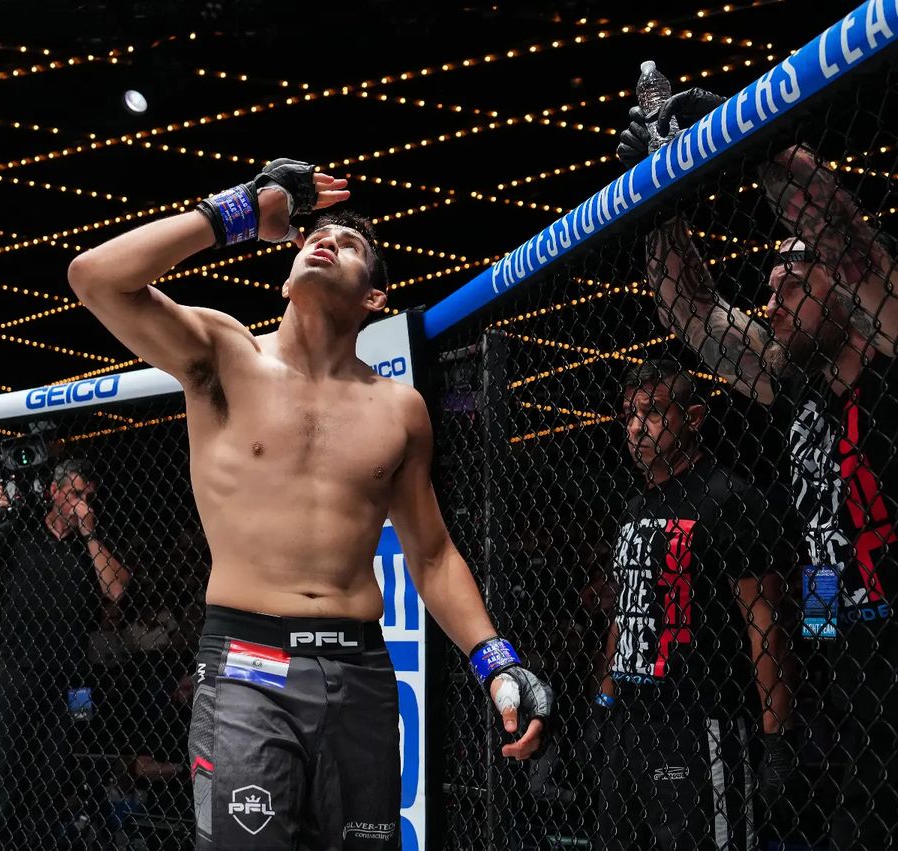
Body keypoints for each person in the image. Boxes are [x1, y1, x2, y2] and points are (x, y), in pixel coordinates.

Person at [67, 158, 552, 849]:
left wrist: (496, 660)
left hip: (360, 671)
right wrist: (240, 210)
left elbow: (432, 553)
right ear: (286, 277)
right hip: (245, 663)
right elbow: (94, 277)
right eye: (314, 238)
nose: (325, 241)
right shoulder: (223, 356)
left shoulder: (401, 409)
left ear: (376, 297)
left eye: (348, 244)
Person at [618, 87, 898, 850]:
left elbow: (842, 233)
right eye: (771, 278)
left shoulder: (889, 347)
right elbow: (692, 312)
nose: (771, 289)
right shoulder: (794, 382)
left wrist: (751, 133)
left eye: (793, 276)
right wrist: (661, 189)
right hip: (847, 682)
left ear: (842, 287)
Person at [593, 358, 795, 850]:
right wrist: (604, 700)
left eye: (653, 411)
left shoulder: (728, 498)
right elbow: (625, 611)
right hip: (631, 719)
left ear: (694, 417)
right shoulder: (635, 509)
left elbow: (764, 621)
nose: (637, 427)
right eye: (629, 414)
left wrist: (776, 736)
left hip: (701, 720)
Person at [0, 458, 131, 849]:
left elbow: (116, 589)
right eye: (74, 494)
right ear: (54, 492)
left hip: (73, 680)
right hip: (18, 672)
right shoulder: (21, 532)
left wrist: (89, 534)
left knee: (58, 772)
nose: (82, 504)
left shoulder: (91, 543)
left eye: (88, 497)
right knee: (7, 769)